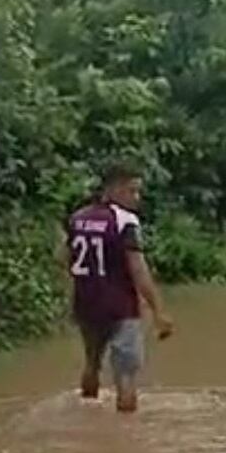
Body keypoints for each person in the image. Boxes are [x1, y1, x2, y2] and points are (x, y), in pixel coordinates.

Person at [67, 163, 173, 413]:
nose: (136, 198)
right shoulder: (125, 220)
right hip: (120, 306)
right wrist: (159, 310)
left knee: (91, 363)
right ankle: (126, 436)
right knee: (125, 376)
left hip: (86, 303)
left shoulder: (77, 217)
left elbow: (62, 257)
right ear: (113, 189)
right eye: (131, 191)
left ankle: (87, 412)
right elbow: (138, 268)